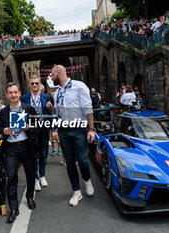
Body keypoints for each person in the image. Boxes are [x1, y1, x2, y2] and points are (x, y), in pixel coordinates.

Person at [46, 65, 95, 207]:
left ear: (59, 73)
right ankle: (76, 191)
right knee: (69, 162)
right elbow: (59, 112)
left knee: (83, 160)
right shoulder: (58, 92)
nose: (51, 77)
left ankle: (87, 180)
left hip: (79, 129)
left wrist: (91, 129)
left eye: (52, 75)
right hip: (64, 130)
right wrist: (52, 109)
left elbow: (87, 108)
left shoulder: (79, 87)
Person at [0, 82, 37, 223]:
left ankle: (30, 197)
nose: (13, 95)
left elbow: (35, 124)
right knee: (11, 176)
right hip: (11, 148)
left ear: (19, 93)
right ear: (7, 95)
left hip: (26, 145)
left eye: (15, 92)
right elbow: (0, 127)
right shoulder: (3, 111)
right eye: (10, 93)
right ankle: (14, 208)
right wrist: (4, 131)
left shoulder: (29, 109)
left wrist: (28, 127)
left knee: (30, 173)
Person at [21, 75, 53, 191]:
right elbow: (21, 113)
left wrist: (53, 129)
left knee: (43, 153)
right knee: (33, 154)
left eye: (36, 83)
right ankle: (35, 178)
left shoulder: (47, 97)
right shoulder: (24, 98)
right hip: (31, 130)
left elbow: (51, 114)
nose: (34, 85)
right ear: (30, 85)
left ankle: (42, 176)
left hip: (44, 128)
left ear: (40, 84)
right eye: (32, 83)